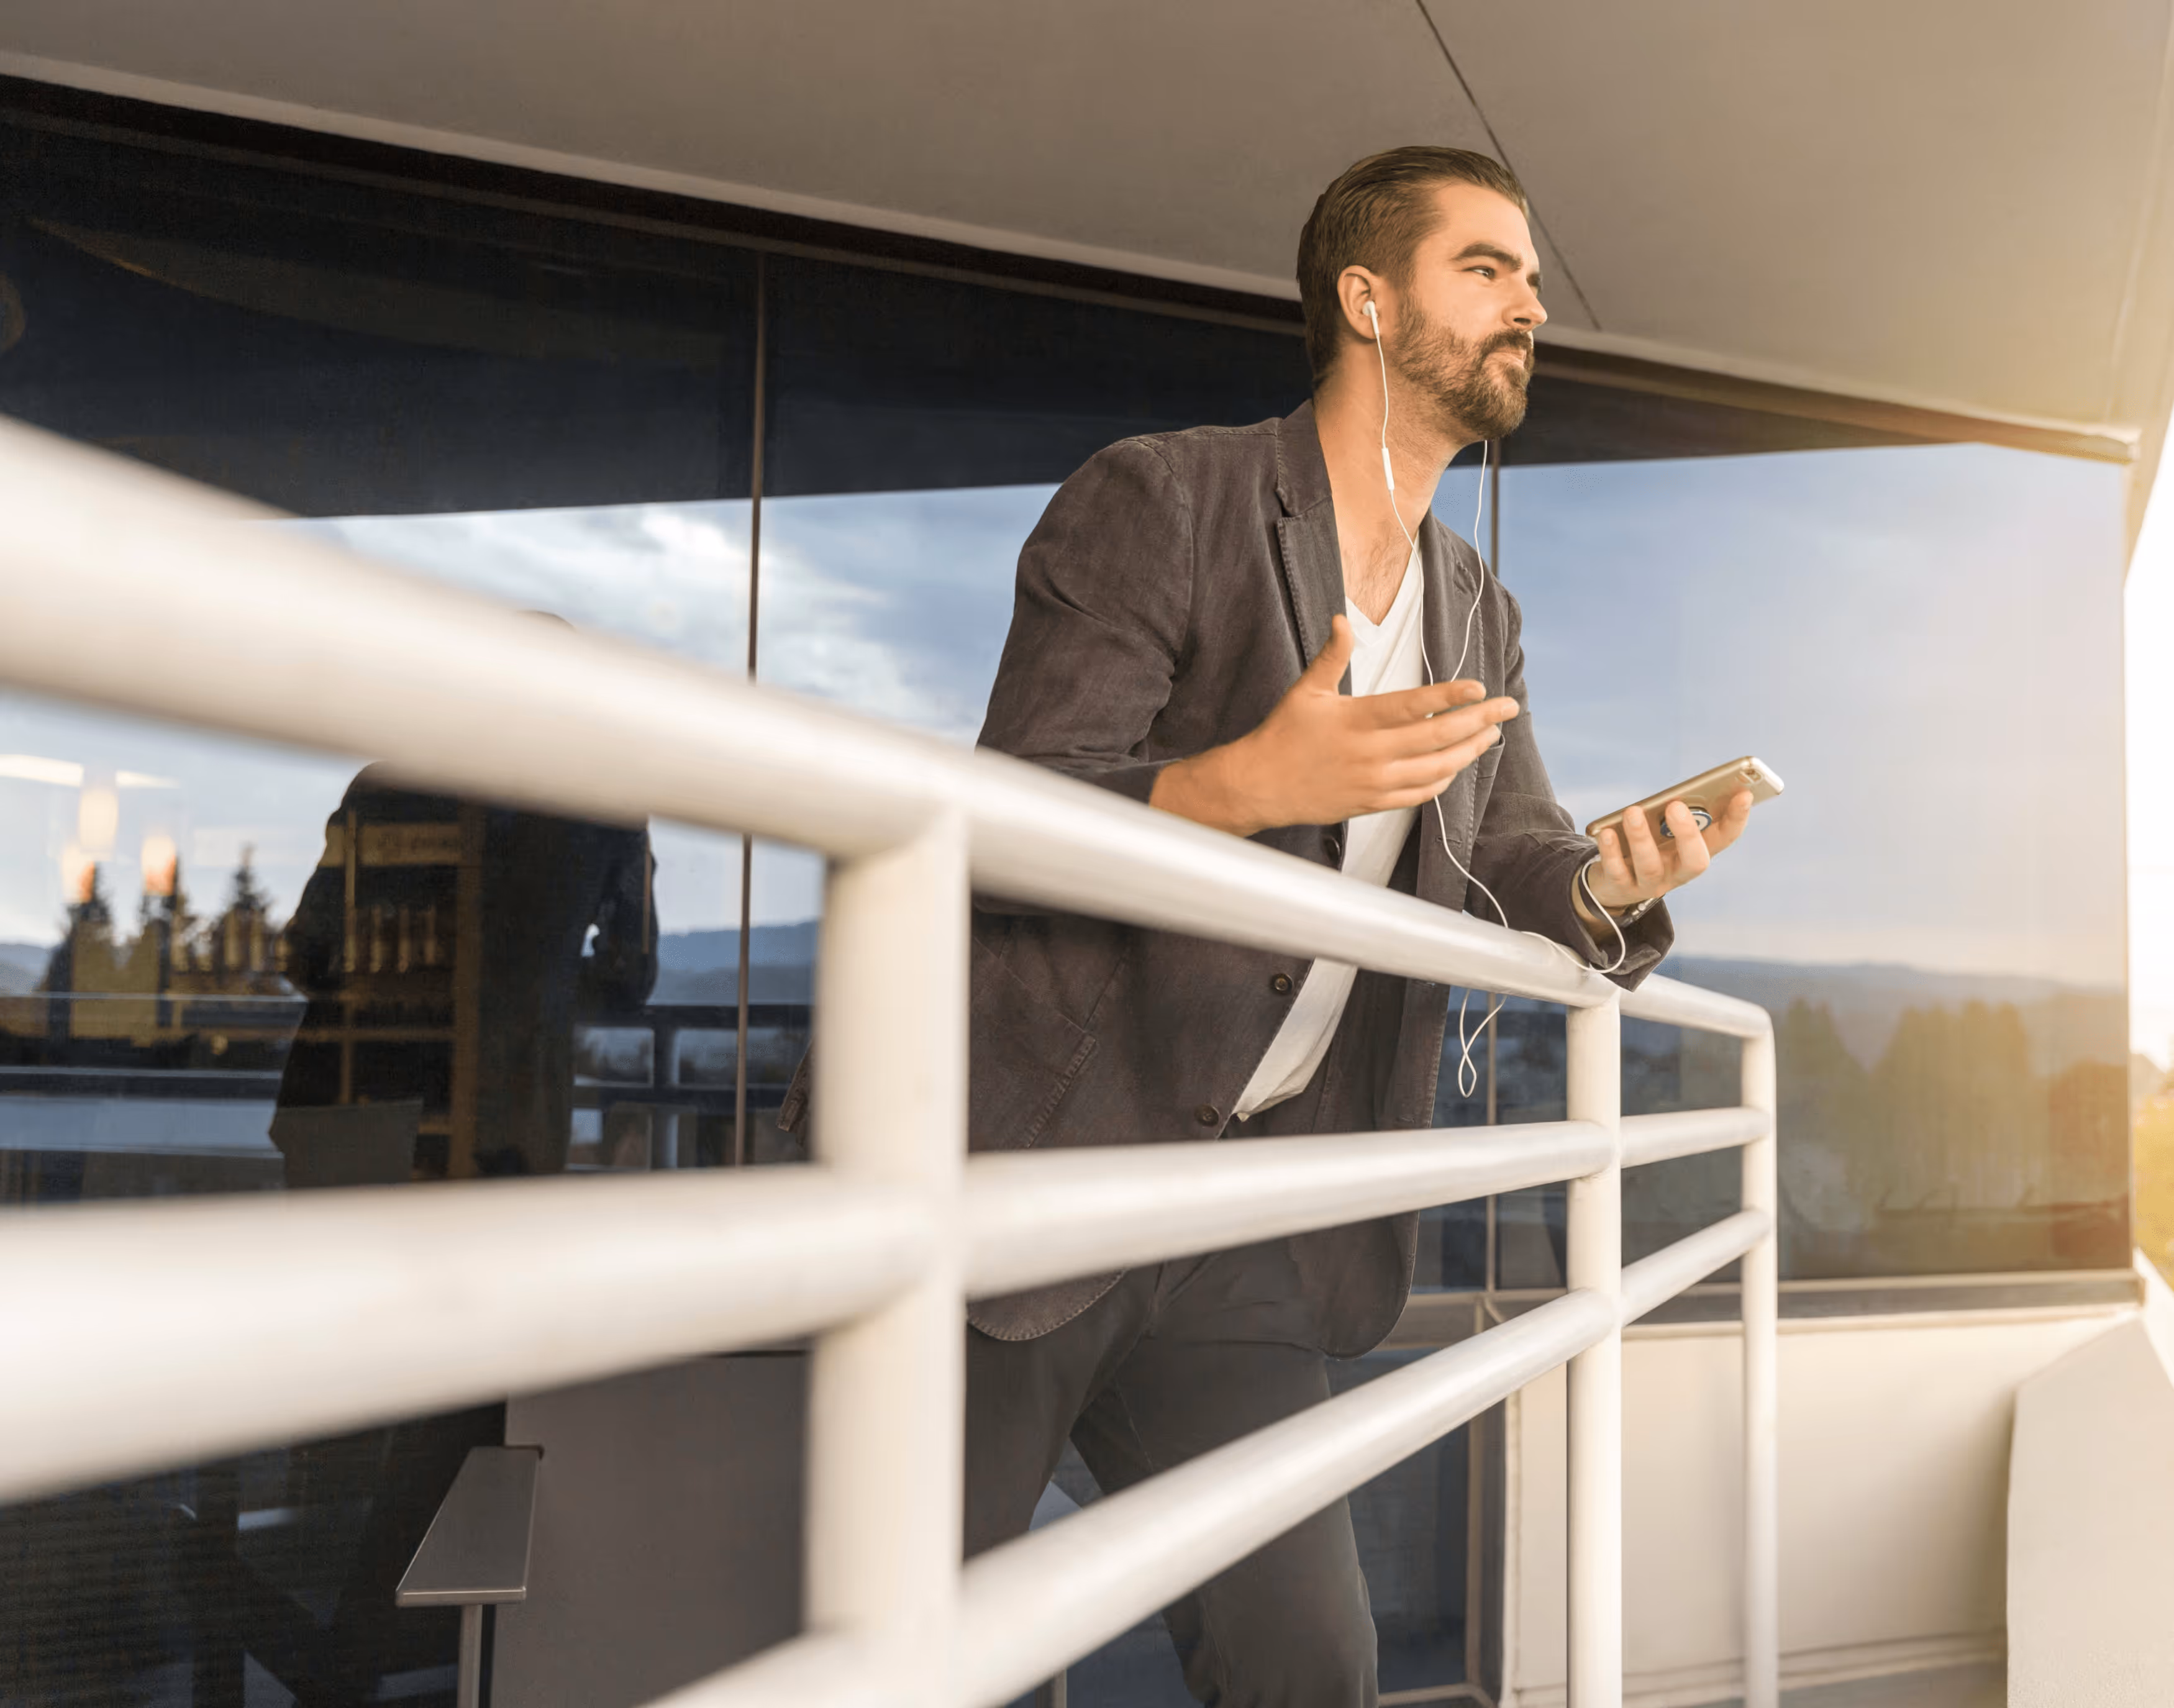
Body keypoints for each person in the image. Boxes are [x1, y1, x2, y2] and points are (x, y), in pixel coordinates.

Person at [791, 145, 1755, 1706]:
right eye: (1487, 268)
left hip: (1247, 1217)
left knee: (1309, 1660)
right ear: (1365, 300)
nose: (1532, 301)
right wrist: (1239, 782)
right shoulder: (1163, 498)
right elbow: (1005, 817)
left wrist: (1605, 884)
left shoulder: (1474, 604)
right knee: (925, 1658)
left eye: (1531, 276)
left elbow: (1504, 850)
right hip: (1028, 1178)